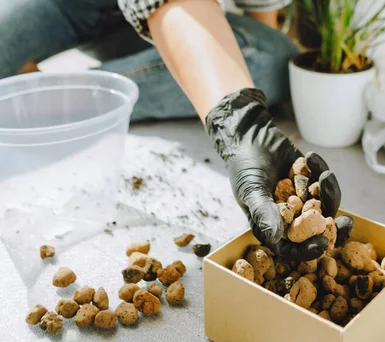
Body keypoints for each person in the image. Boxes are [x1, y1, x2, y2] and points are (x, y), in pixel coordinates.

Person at [0, 0, 340, 261]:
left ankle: (68, 96)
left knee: (275, 60)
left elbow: (262, 24)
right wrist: (241, 118)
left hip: (169, 16)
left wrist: (247, 120)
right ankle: (89, 96)